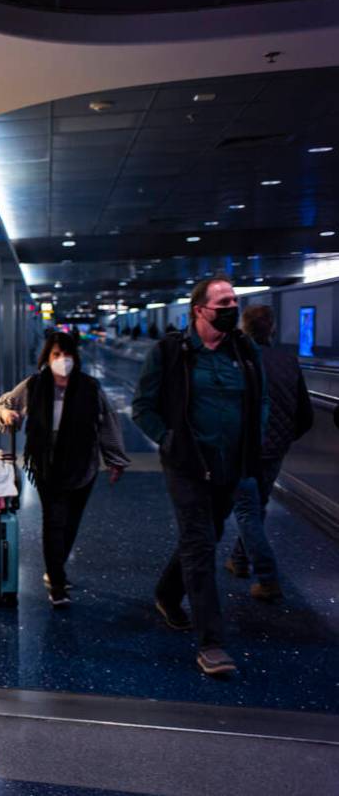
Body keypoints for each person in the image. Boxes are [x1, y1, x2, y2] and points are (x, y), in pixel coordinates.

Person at [132, 277, 267, 676]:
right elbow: (143, 406)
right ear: (199, 310)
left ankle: (166, 593)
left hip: (231, 465)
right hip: (188, 466)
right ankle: (212, 643)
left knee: (210, 533)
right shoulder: (171, 352)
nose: (231, 307)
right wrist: (168, 440)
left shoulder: (244, 350)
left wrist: (254, 440)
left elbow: (262, 399)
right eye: (223, 302)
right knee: (200, 543)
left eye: (234, 300)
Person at [0, 332, 130, 608]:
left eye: (67, 355)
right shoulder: (35, 385)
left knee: (71, 523)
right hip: (47, 463)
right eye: (56, 355)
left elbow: (107, 423)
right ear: (47, 357)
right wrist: (7, 414)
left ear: (75, 358)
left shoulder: (89, 387)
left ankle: (56, 566)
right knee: (54, 521)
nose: (62, 360)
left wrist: (115, 459)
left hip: (83, 465)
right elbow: (2, 404)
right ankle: (57, 581)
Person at [224, 305, 314, 600]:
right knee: (256, 504)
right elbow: (305, 414)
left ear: (244, 327)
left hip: (244, 449)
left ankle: (268, 577)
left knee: (247, 509)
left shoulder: (238, 359)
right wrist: (284, 438)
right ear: (272, 329)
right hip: (275, 449)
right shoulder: (288, 360)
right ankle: (238, 560)